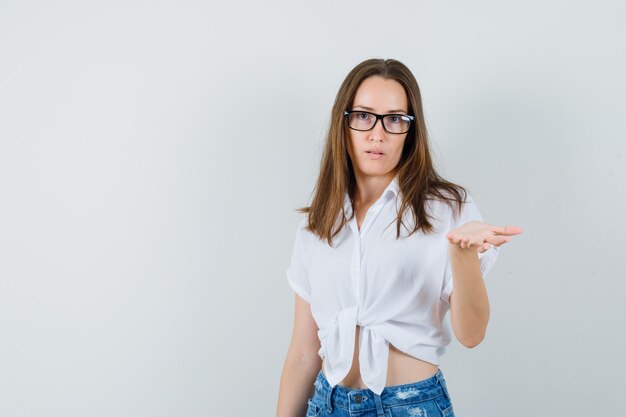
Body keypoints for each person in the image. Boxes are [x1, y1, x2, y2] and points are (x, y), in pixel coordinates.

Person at [275, 58, 522, 417]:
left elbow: (472, 335)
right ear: (343, 123)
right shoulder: (318, 223)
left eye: (394, 119)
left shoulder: (447, 209)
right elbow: (302, 353)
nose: (377, 134)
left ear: (410, 129)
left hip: (410, 406)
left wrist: (463, 255)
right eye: (363, 116)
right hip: (327, 405)